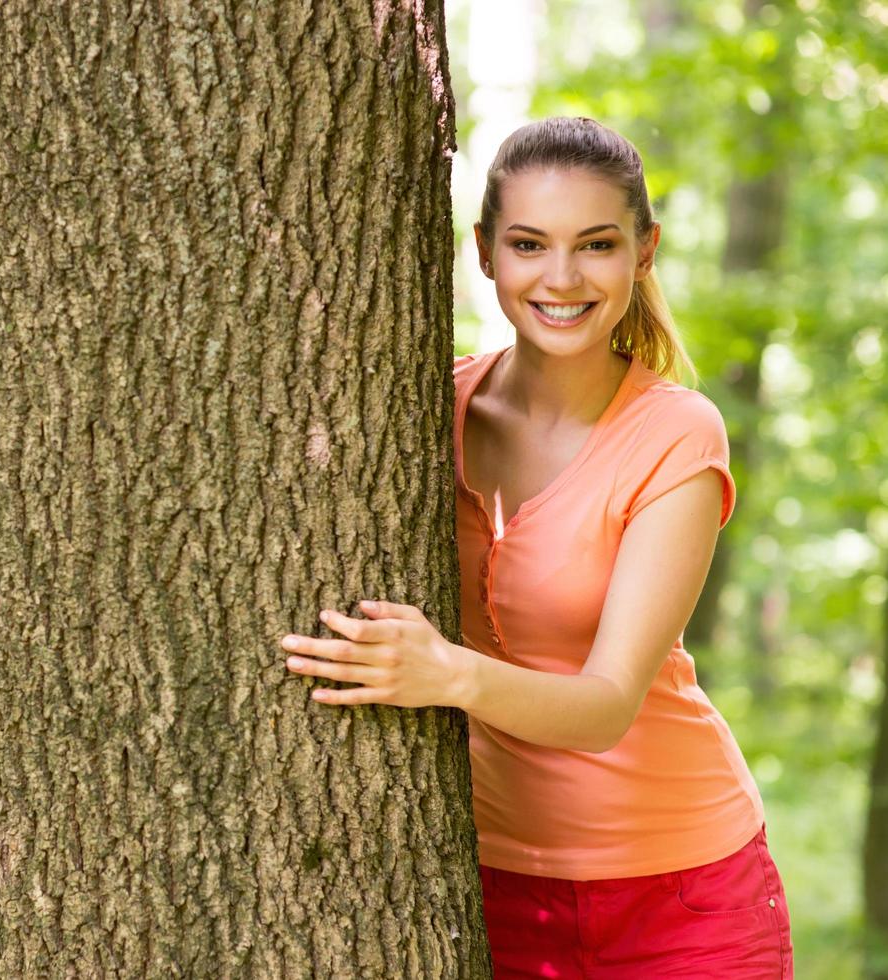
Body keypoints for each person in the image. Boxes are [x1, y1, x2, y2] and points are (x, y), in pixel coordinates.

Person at [281, 117, 792, 977]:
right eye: (528, 244)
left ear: (643, 252)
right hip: (488, 885)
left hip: (682, 893)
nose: (561, 278)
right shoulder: (420, 412)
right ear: (485, 252)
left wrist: (444, 673)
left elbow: (605, 705)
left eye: (595, 245)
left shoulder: (674, 434)